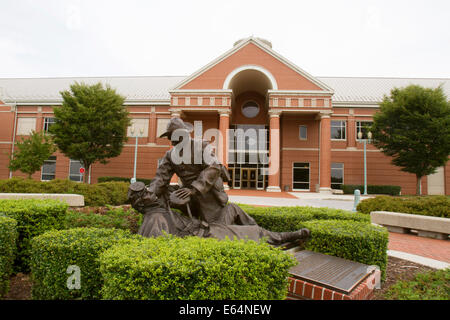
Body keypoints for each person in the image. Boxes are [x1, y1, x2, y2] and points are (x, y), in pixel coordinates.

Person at [128, 181, 310, 247]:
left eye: (149, 190)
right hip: (205, 236)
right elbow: (162, 247)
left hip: (207, 229)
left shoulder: (162, 208)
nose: (152, 192)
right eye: (147, 193)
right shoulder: (155, 219)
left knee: (234, 212)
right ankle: (281, 238)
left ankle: (271, 237)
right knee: (252, 234)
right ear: (142, 202)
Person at [147, 117, 256, 226]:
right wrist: (149, 195)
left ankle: (234, 212)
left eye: (175, 136)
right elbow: (160, 178)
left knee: (216, 228)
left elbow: (214, 167)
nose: (172, 140)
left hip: (208, 192)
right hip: (188, 193)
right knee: (164, 194)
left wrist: (195, 189)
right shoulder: (170, 155)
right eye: (170, 137)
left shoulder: (202, 146)